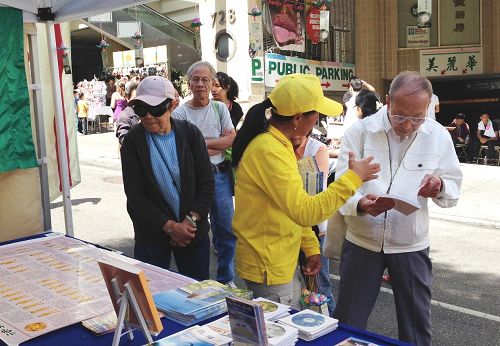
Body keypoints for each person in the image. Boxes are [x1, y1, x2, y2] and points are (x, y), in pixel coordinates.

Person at [334, 71, 463, 346]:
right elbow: (341, 184)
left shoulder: (437, 135)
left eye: (418, 116)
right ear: (388, 101)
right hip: (363, 240)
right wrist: (359, 203)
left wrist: (439, 186)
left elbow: (453, 188)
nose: (408, 125)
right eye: (401, 115)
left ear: (428, 107)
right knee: (349, 321)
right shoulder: (360, 132)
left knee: (416, 325)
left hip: (410, 243)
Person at [231, 73, 380, 309]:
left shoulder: (277, 144)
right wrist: (353, 178)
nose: (318, 119)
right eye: (316, 114)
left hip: (279, 257)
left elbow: (292, 206)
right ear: (298, 118)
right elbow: (304, 210)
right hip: (269, 262)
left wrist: (310, 248)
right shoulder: (269, 150)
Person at [120, 76, 215, 281]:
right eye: (140, 110)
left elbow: (206, 184)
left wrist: (188, 223)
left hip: (192, 233)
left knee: (196, 295)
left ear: (172, 105)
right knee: (153, 298)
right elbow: (136, 195)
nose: (147, 116)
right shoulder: (133, 142)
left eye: (155, 109)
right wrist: (171, 227)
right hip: (151, 236)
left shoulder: (190, 134)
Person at [172, 61, 237, 286]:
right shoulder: (180, 114)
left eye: (205, 80)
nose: (200, 84)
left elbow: (231, 140)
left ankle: (225, 280)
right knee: (196, 231)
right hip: (193, 180)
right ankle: (199, 283)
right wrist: (214, 145)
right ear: (189, 84)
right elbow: (183, 152)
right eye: (196, 80)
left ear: (212, 83)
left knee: (226, 231)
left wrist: (199, 146)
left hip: (219, 176)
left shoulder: (219, 109)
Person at [291, 132, 335, 316]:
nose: (293, 135)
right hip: (290, 227)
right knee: (296, 283)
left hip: (315, 227)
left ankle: (329, 320)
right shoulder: (280, 146)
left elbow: (314, 191)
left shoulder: (317, 149)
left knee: (319, 282)